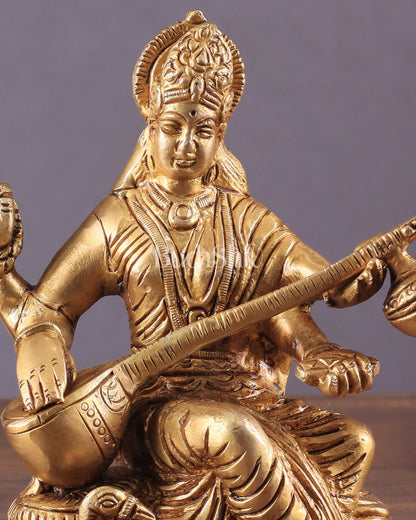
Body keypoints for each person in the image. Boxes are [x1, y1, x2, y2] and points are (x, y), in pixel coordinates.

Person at [0, 10, 390, 520]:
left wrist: (326, 341)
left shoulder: (248, 220)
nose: (186, 145)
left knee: (353, 442)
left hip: (248, 395)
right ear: (150, 126)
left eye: (202, 130)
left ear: (220, 134)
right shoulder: (118, 218)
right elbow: (50, 309)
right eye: (172, 127)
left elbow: (308, 290)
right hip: (158, 403)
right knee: (231, 434)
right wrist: (40, 342)